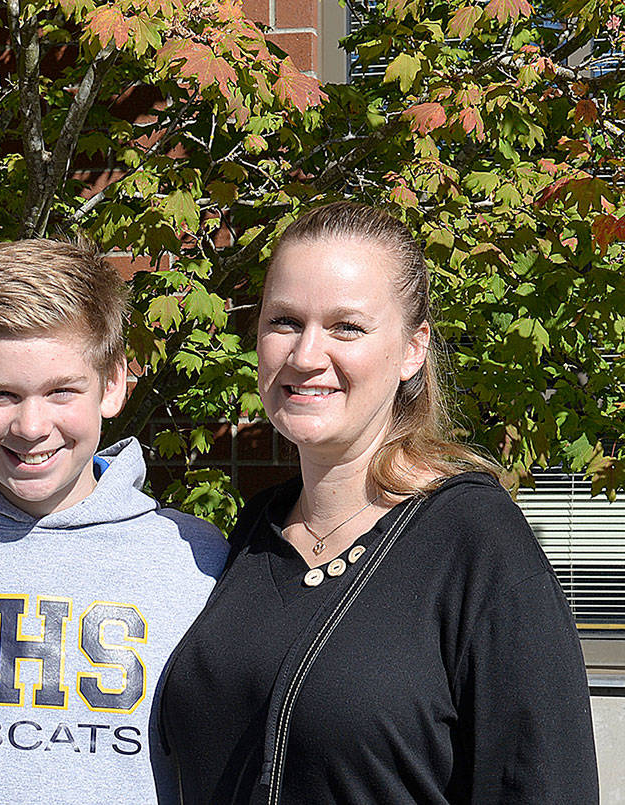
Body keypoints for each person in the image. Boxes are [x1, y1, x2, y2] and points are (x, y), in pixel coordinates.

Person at [160, 201, 598, 802]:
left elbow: (543, 782)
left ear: (413, 349)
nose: (306, 355)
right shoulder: (253, 536)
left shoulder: (475, 540)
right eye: (284, 321)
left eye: (346, 327)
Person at [0, 238, 229, 804]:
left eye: (61, 391)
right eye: (1, 395)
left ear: (113, 385)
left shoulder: (193, 559)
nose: (31, 426)